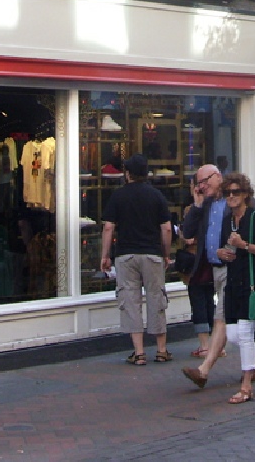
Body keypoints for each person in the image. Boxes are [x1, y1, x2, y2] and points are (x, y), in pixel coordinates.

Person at [100, 153, 173, 366]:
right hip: (152, 253)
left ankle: (139, 352)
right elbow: (166, 228)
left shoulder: (118, 196)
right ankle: (161, 350)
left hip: (126, 254)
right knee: (156, 298)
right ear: (147, 173)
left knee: (130, 301)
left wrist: (105, 255)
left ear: (127, 173)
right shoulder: (156, 196)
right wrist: (166, 253)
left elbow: (108, 226)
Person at [213, 172, 255, 403]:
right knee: (232, 335)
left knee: (244, 333)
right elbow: (225, 250)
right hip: (233, 284)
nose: (231, 197)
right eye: (227, 193)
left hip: (253, 284)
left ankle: (246, 386)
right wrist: (222, 253)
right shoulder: (227, 220)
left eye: (236, 193)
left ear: (246, 195)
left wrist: (245, 245)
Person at [180, 164, 228, 387]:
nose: (202, 186)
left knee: (221, 319)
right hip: (212, 268)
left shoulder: (234, 199)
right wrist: (197, 204)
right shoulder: (205, 204)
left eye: (205, 181)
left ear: (218, 177)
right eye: (199, 183)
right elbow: (187, 232)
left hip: (233, 269)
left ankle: (204, 369)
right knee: (239, 322)